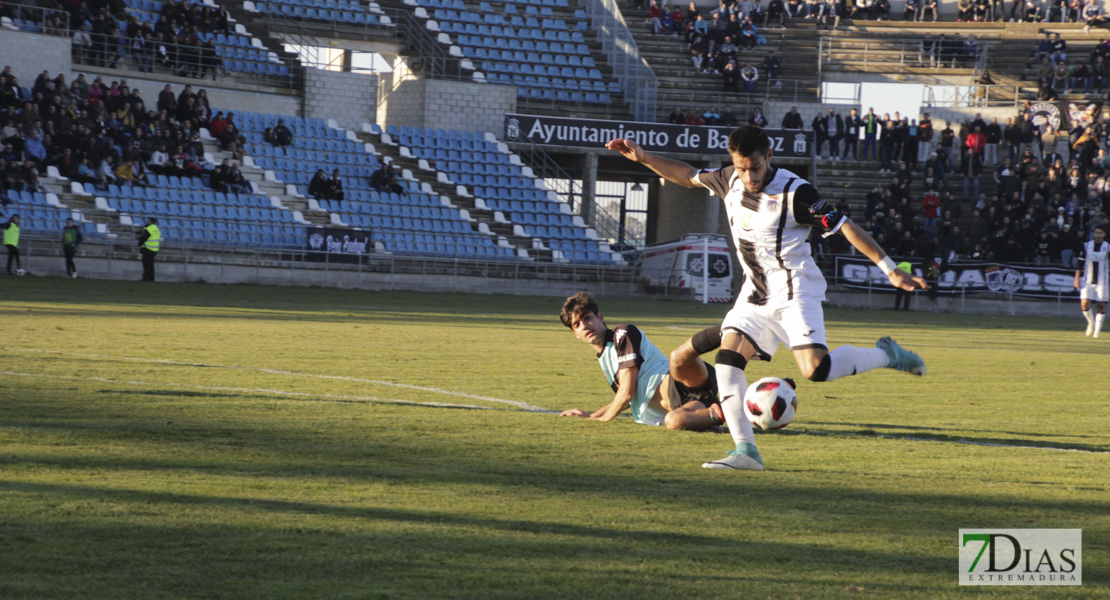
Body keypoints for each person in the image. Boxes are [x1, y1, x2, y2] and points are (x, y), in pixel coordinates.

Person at [605, 126, 927, 471]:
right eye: (741, 167)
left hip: (793, 292)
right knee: (728, 364)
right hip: (753, 296)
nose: (747, 175)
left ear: (769, 157)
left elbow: (845, 226)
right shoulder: (730, 178)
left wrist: (890, 268)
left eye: (754, 167)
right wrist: (643, 157)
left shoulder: (796, 193)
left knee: (816, 370)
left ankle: (886, 355)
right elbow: (686, 176)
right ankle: (747, 452)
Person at [558, 292, 724, 430]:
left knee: (677, 358)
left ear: (600, 317)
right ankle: (718, 414)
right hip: (687, 404)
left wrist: (599, 420)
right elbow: (624, 400)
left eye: (587, 318)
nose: (584, 326)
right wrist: (590, 416)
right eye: (577, 324)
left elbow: (627, 393)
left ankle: (731, 329)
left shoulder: (622, 334)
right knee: (673, 421)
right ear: (576, 334)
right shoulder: (605, 360)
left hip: (683, 381)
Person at [1075, 223, 1108, 337]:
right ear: (1093, 234)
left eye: (1100, 233)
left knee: (1101, 305)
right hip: (1087, 280)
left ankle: (1097, 331)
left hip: (1102, 281)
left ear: (1104, 234)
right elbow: (1080, 262)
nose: (1098, 235)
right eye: (1096, 233)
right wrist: (1076, 278)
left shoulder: (1108, 247)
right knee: (1084, 304)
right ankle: (1091, 323)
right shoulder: (1086, 246)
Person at [137, 216, 161, 282]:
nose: (147, 221)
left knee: (146, 264)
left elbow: (144, 237)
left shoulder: (148, 228)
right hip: (154, 249)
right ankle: (151, 278)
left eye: (148, 220)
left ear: (151, 222)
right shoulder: (156, 228)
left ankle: (146, 278)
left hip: (147, 248)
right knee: (151, 264)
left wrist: (140, 244)